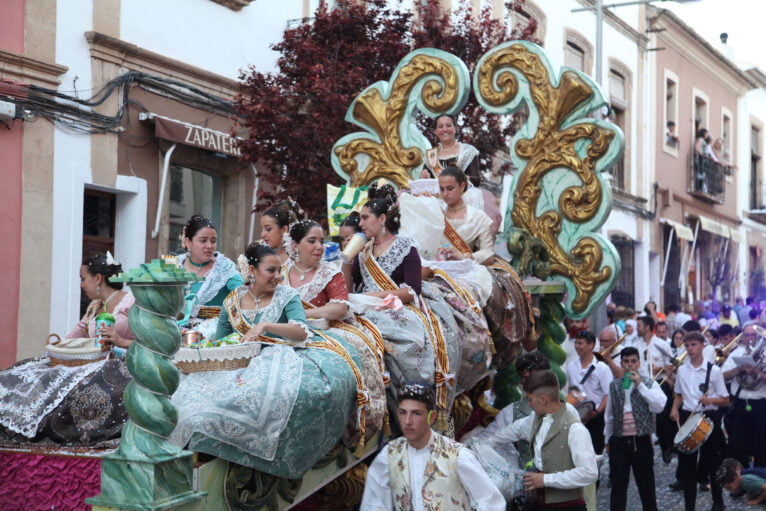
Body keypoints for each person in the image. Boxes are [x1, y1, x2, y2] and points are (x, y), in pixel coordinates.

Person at [171, 243, 365, 479]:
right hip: (237, 360)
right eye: (271, 270)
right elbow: (222, 341)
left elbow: (301, 331)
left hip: (278, 357)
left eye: (279, 271)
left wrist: (265, 326)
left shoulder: (287, 295)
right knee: (191, 399)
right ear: (252, 271)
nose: (277, 277)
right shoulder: (233, 300)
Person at [343, 183, 456, 431]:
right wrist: (346, 258)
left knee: (406, 345)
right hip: (365, 308)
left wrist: (375, 296)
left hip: (397, 309)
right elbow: (351, 288)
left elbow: (411, 291)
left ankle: (412, 402)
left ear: (382, 219)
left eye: (365, 218)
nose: (360, 224)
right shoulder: (364, 253)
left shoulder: (406, 246)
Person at [0, 253, 134, 445]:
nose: (81, 285)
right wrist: (58, 348)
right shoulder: (95, 307)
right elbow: (76, 334)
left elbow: (148, 343)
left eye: (83, 279)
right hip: (90, 363)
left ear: (98, 278)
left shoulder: (130, 303)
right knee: (30, 372)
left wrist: (120, 341)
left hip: (119, 366)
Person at [283, 219, 387, 441]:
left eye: (321, 241)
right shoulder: (280, 273)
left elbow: (339, 308)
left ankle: (360, 418)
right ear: (295, 245)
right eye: (312, 241)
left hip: (329, 329)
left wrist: (302, 315)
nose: (319, 247)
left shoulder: (330, 272)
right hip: (286, 331)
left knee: (360, 350)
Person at [360, 383, 505, 510]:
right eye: (403, 413)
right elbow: (373, 504)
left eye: (416, 413)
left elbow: (491, 502)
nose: (408, 421)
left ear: (432, 417)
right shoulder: (389, 455)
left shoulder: (458, 456)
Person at [489, 370, 599, 510]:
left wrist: (545, 480)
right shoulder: (535, 419)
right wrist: (483, 445)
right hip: (538, 504)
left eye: (530, 399)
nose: (528, 404)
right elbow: (510, 431)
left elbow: (589, 473)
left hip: (567, 507)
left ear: (543, 399)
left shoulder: (575, 428)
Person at [670, 331, 729, 511]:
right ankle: (690, 506)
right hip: (689, 416)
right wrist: (674, 408)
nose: (690, 349)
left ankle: (718, 502)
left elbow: (725, 400)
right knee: (687, 466)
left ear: (703, 345)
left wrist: (711, 400)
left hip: (708, 418)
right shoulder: (682, 370)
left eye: (694, 345)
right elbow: (679, 394)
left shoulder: (714, 371)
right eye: (687, 346)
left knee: (712, 462)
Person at [604, 347, 667, 511]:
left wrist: (639, 384)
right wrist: (607, 439)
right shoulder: (614, 385)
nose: (630, 365)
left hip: (641, 440)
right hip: (618, 440)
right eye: (626, 361)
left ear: (638, 363)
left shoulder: (648, 383)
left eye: (633, 361)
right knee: (618, 487)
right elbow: (610, 415)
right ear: (621, 363)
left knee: (646, 486)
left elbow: (659, 405)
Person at [419, 114, 502, 233]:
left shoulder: (467, 151)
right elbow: (427, 183)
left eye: (448, 125)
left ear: (454, 129)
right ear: (436, 131)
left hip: (463, 196)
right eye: (441, 127)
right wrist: (423, 177)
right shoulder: (430, 156)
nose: (445, 129)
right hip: (438, 198)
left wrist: (457, 179)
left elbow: (476, 180)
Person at [176, 215, 243, 332]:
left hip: (210, 336)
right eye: (203, 240)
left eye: (213, 241)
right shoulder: (174, 265)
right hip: (174, 332)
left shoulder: (223, 268)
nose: (209, 246)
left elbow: (244, 294)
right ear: (188, 242)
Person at [722, 323, 766, 468]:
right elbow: (722, 376)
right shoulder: (736, 353)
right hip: (740, 404)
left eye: (754, 335)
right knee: (736, 444)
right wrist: (739, 369)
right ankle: (742, 478)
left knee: (761, 446)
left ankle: (760, 482)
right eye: (747, 335)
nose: (750, 338)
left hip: (760, 405)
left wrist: (757, 373)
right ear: (743, 337)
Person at [565, 330, 612, 455]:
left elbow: (608, 394)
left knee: (594, 452)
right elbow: (570, 388)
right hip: (576, 416)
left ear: (591, 345)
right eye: (576, 343)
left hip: (595, 416)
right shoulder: (571, 366)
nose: (577, 346)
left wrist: (596, 412)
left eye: (581, 343)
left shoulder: (602, 368)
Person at [260, 200, 300, 264]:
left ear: (284, 230)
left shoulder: (297, 259)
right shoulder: (259, 256)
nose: (262, 234)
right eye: (262, 229)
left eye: (268, 229)